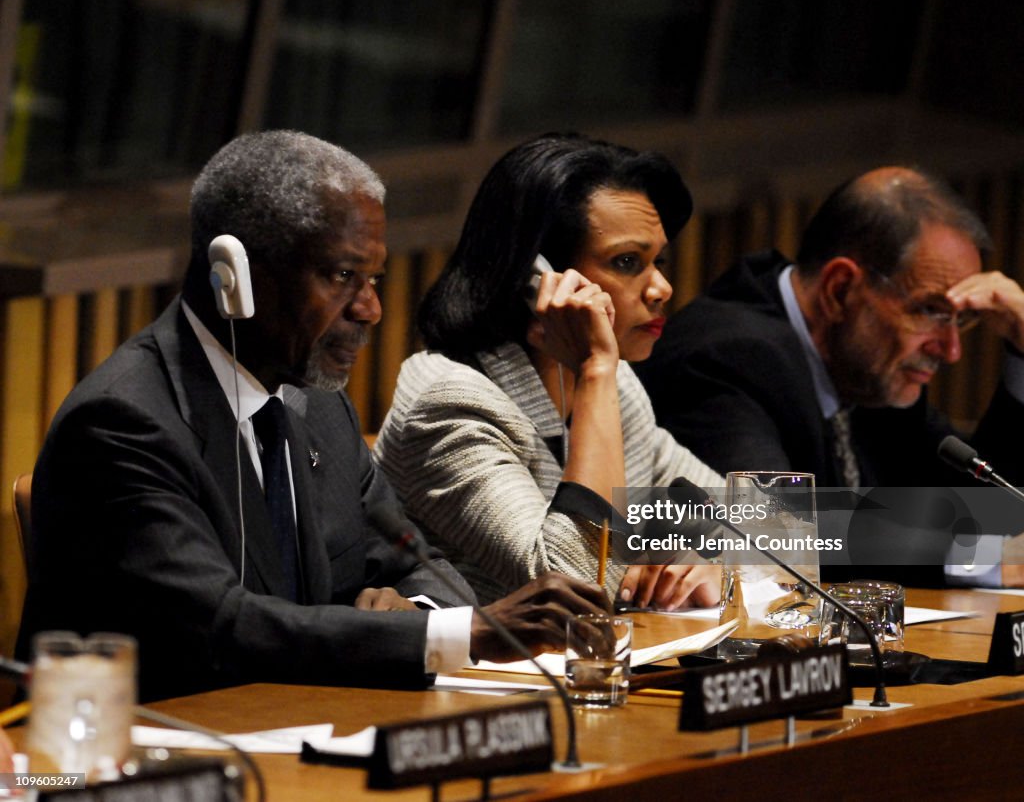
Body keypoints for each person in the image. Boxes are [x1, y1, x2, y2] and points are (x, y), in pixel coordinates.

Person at [16, 130, 611, 702]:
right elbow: (223, 624)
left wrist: (416, 615)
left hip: (303, 731)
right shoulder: (123, 423)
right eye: (342, 276)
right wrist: (458, 632)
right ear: (236, 279)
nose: (372, 308)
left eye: (373, 278)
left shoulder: (314, 402)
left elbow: (408, 558)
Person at [374, 134, 723, 608]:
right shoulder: (448, 406)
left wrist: (708, 551)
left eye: (657, 261)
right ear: (537, 279)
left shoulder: (615, 385)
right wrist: (597, 369)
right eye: (627, 262)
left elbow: (805, 534)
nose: (661, 287)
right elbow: (577, 586)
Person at [634, 166, 1024, 586]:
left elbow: (983, 506)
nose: (951, 350)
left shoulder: (866, 366)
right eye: (930, 312)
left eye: (961, 320)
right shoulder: (726, 355)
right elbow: (774, 534)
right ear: (840, 289)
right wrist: (983, 558)